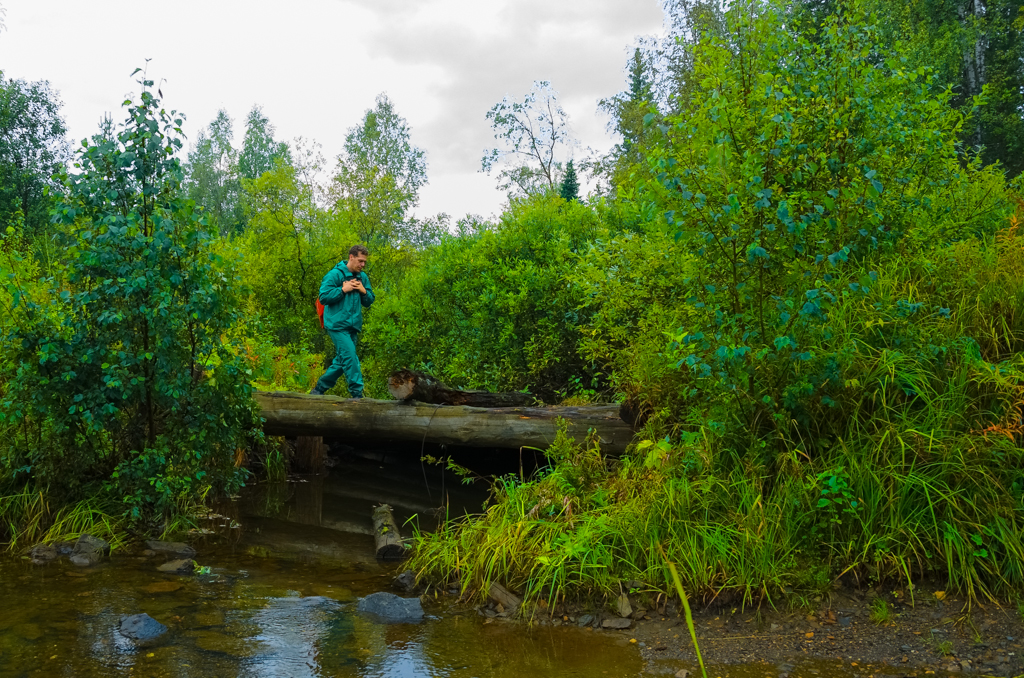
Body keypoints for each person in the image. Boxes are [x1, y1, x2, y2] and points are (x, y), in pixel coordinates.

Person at [311, 245, 375, 397]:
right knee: (350, 358)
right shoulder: (334, 275)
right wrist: (342, 289)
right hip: (337, 325)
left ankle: (318, 390)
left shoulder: (362, 278)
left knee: (342, 361)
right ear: (351, 257)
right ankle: (357, 395)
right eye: (360, 261)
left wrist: (363, 291)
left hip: (353, 326)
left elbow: (369, 300)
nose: (363, 265)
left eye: (365, 262)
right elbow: (324, 297)